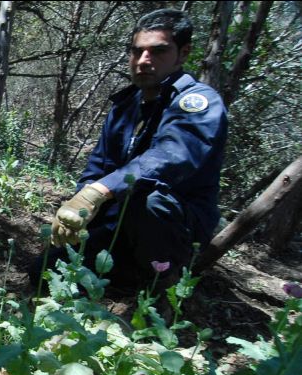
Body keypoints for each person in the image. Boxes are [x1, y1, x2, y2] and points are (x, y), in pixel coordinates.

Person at [29, 9, 228, 293]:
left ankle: (163, 282)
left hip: (172, 228)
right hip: (118, 226)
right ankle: (126, 277)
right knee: (44, 273)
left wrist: (98, 192)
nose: (144, 60)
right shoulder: (126, 105)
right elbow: (98, 166)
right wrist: (81, 206)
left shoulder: (198, 103)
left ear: (183, 54)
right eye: (137, 51)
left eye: (158, 51)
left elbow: (172, 156)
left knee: (149, 199)